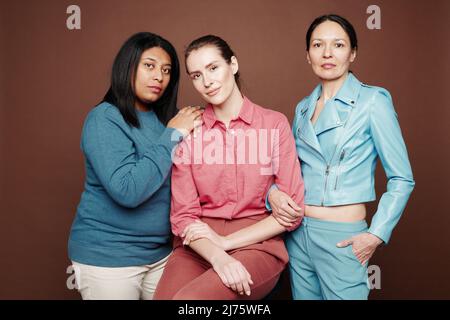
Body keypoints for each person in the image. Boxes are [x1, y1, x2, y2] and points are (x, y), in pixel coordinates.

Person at [267, 14, 415, 300]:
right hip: (297, 232)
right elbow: (290, 171)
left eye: (338, 44)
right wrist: (272, 193)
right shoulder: (302, 109)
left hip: (341, 236)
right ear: (308, 55)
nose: (327, 53)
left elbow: (402, 178)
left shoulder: (373, 101)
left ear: (353, 53)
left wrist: (376, 233)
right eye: (318, 44)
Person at [153, 35, 305, 300]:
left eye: (213, 68)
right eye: (197, 75)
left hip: (257, 245)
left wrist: (227, 243)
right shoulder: (189, 132)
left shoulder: (274, 124)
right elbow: (183, 217)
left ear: (232, 65)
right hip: (199, 246)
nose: (207, 82)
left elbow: (292, 212)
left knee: (190, 302)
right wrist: (218, 255)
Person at [67, 32, 203, 300]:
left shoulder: (165, 121)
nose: (159, 77)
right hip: (109, 257)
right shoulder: (104, 119)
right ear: (128, 66)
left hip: (161, 255)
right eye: (149, 66)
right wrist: (173, 135)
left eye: (166, 70)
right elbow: (127, 191)